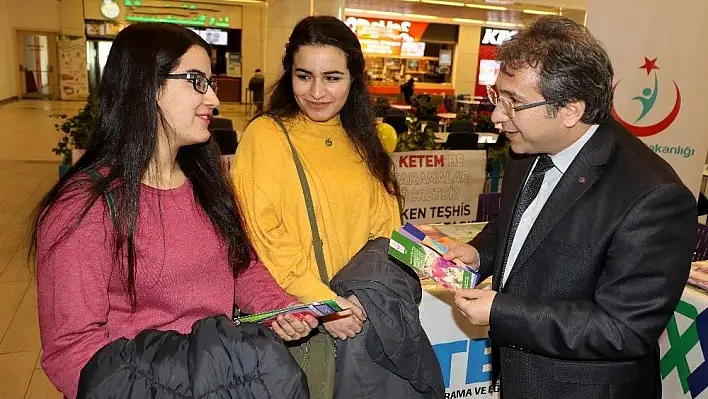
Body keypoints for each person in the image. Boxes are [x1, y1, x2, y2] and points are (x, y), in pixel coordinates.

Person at [31, 23, 316, 399]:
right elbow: (71, 351)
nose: (213, 99)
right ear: (146, 87)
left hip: (223, 377)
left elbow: (241, 265)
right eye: (196, 81)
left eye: (210, 83)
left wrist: (277, 306)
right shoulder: (85, 207)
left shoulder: (207, 182)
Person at [443, 16, 696, 399]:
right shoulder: (525, 147)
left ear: (570, 111)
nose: (497, 116)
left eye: (514, 103)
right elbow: (515, 225)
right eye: (498, 97)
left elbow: (622, 328)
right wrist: (480, 254)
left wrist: (501, 313)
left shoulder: (653, 198)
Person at [233, 15, 401, 399]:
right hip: (300, 324)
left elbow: (385, 228)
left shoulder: (364, 139)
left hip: (359, 319)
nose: (317, 92)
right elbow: (262, 231)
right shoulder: (266, 135)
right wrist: (324, 302)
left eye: (332, 78)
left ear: (354, 78)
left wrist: (362, 298)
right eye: (303, 75)